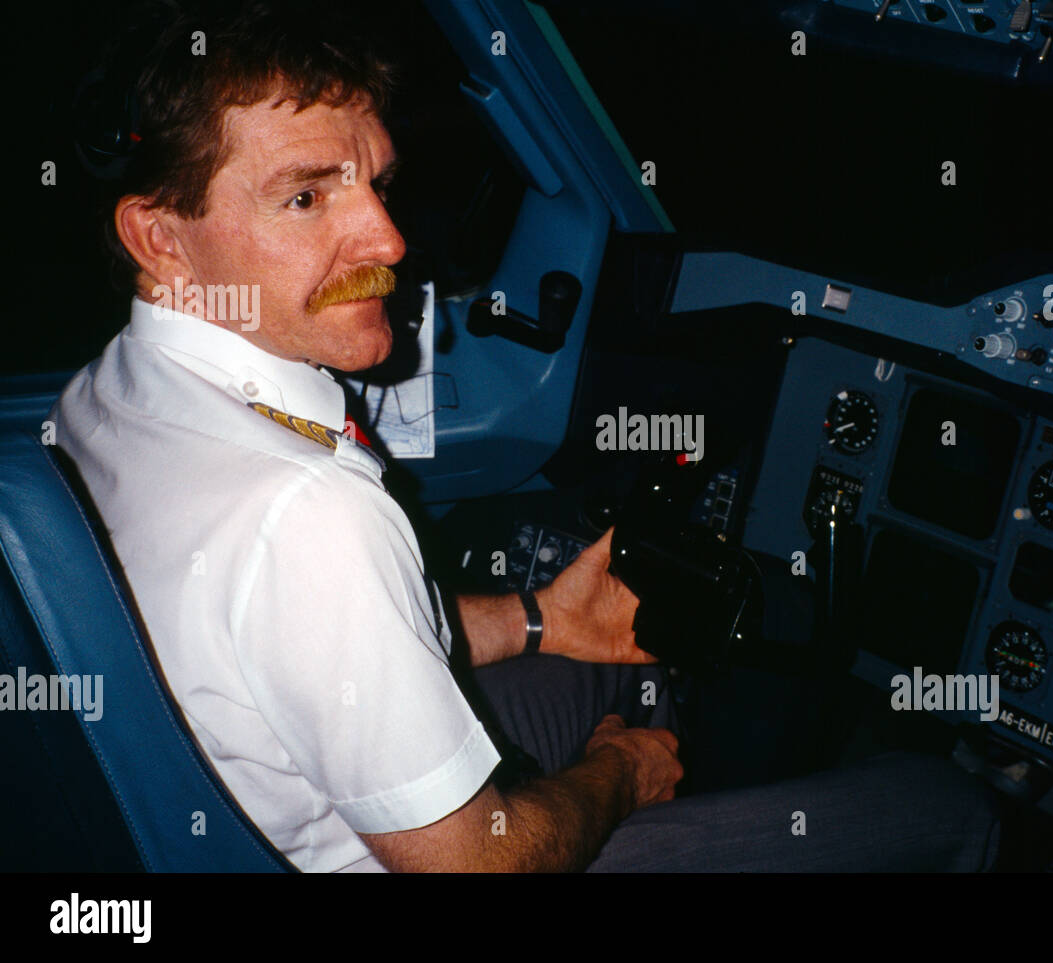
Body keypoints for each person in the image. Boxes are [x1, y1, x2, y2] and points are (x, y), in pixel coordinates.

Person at [51, 0, 999, 872]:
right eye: (306, 197)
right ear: (160, 237)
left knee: (626, 670)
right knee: (947, 805)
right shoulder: (305, 512)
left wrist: (545, 613)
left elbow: (302, 650)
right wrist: (620, 777)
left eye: (375, 182)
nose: (386, 238)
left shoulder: (109, 396)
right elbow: (477, 866)